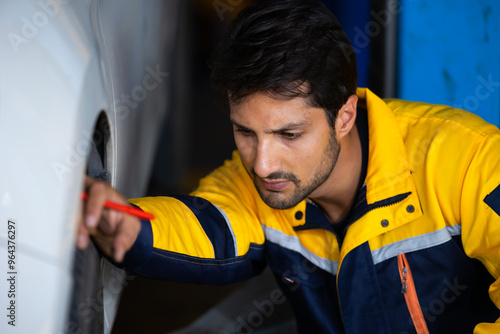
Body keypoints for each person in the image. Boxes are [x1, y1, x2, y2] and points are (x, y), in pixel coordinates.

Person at [78, 1, 500, 333]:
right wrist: (131, 226)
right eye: (245, 132)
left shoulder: (469, 161)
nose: (263, 164)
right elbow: (208, 225)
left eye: (289, 135)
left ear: (345, 116)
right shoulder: (259, 178)